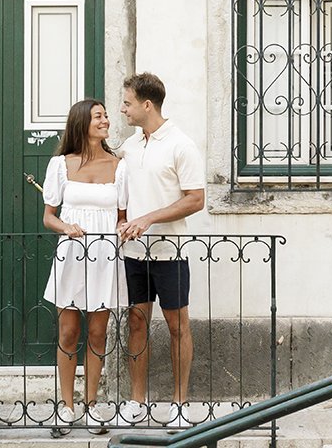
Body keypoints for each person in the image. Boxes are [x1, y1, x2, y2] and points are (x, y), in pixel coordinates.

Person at [115, 72, 207, 428]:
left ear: (147, 105)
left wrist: (149, 218)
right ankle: (137, 402)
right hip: (134, 254)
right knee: (136, 324)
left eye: (127, 103)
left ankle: (180, 403)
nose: (122, 109)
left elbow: (196, 200)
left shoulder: (181, 145)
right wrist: (123, 218)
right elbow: (121, 190)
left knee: (177, 327)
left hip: (171, 253)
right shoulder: (130, 145)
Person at [41, 98, 127, 429]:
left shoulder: (119, 165)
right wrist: (66, 227)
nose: (105, 120)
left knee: (97, 332)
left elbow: (122, 216)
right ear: (82, 123)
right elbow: (49, 217)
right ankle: (66, 406)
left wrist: (124, 229)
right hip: (72, 255)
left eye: (106, 116)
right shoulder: (61, 165)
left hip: (105, 255)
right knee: (68, 330)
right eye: (98, 116)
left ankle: (91, 405)